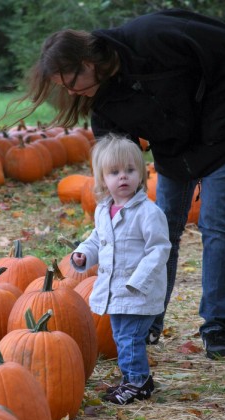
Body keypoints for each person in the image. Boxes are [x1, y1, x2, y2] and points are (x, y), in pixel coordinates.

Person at [14, 8, 225, 359]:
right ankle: (149, 319)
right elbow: (115, 160)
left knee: (215, 223)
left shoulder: (151, 36)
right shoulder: (104, 105)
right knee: (162, 229)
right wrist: (111, 211)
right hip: (177, 151)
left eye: (71, 82)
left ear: (88, 61)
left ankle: (216, 326)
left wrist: (215, 130)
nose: (73, 92)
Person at [71, 134, 171, 405]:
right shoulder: (104, 210)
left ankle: (137, 382)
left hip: (138, 292)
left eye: (130, 170)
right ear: (103, 179)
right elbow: (97, 239)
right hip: (114, 292)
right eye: (114, 172)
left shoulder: (148, 213)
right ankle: (135, 378)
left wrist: (138, 281)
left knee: (129, 338)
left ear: (141, 174)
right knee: (121, 338)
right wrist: (83, 254)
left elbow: (159, 250)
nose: (123, 177)